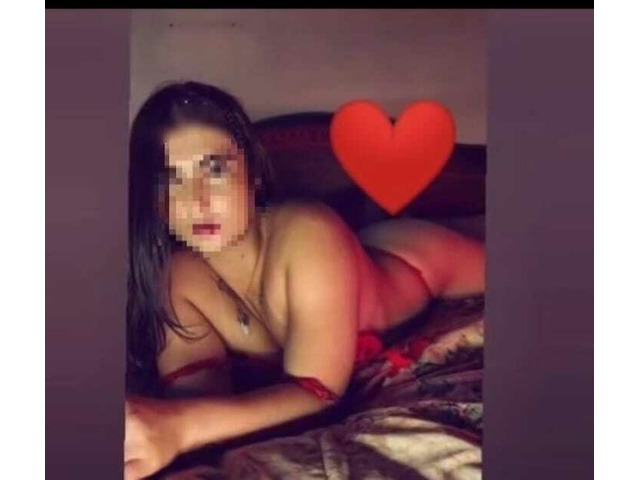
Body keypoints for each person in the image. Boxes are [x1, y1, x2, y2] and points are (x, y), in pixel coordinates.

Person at [124, 81, 485, 480]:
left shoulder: (309, 231)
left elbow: (319, 394)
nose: (197, 201)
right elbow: (196, 401)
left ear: (252, 173)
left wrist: (181, 426)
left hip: (415, 261)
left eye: (215, 169)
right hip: (343, 259)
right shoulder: (176, 279)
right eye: (171, 179)